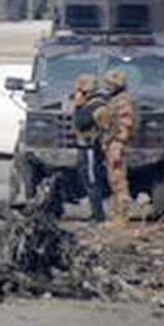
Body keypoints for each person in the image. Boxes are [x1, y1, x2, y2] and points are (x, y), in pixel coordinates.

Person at [96, 69, 135, 228]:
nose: (107, 87)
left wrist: (118, 143)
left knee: (118, 181)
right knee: (114, 180)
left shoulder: (123, 101)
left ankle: (122, 217)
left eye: (110, 84)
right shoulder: (116, 100)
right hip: (112, 143)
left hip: (116, 144)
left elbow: (126, 124)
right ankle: (118, 216)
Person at [71, 74, 108, 222]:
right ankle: (95, 212)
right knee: (87, 179)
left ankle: (99, 215)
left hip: (90, 148)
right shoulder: (92, 104)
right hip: (85, 147)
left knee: (92, 180)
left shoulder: (96, 105)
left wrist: (79, 106)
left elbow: (81, 122)